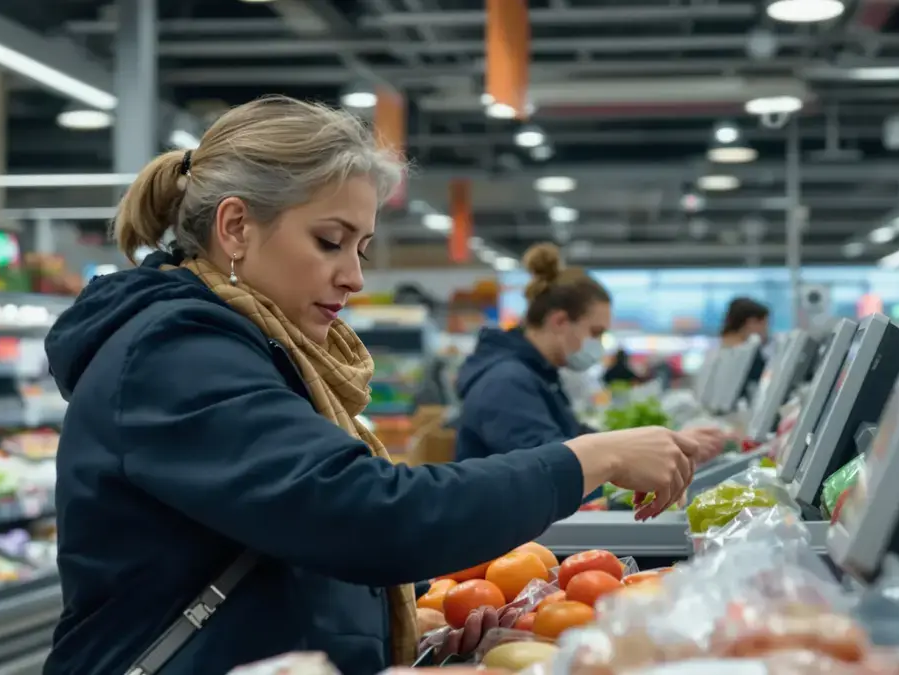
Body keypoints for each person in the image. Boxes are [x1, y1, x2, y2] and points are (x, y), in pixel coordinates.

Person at [40, 96, 715, 675]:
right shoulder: (174, 354)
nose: (353, 277)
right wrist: (590, 456)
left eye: (360, 248)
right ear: (237, 227)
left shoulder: (259, 349)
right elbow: (366, 514)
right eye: (330, 241)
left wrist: (408, 627)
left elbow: (292, 540)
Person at [454, 243, 614, 466]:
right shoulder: (506, 383)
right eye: (595, 333)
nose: (598, 344)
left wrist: (621, 445)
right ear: (559, 321)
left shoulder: (537, 374)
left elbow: (565, 439)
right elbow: (549, 471)